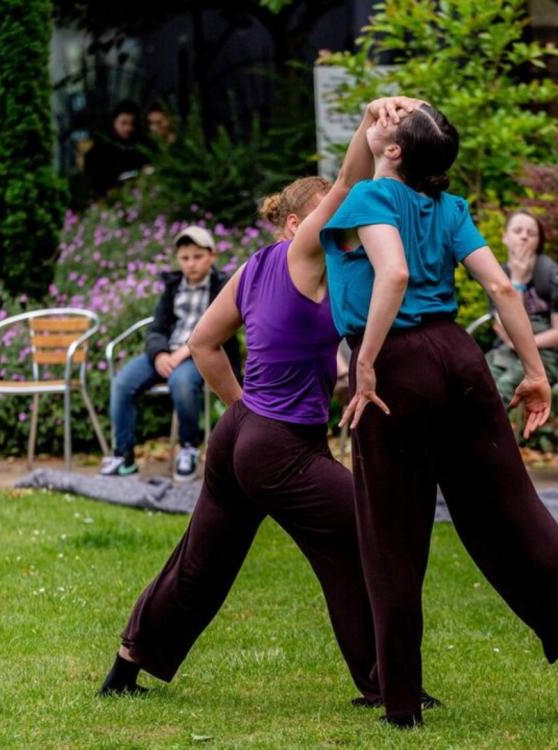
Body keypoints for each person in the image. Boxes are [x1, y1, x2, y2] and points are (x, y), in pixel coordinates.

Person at [99, 97, 443, 711]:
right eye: (324, 220)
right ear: (294, 225)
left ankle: (128, 666)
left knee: (203, 562)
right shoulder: (303, 257)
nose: (345, 229)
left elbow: (204, 344)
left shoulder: (255, 267)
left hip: (242, 437)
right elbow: (348, 182)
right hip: (278, 445)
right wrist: (372, 129)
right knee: (368, 533)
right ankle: (393, 688)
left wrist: (245, 412)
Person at [319, 102, 558, 727]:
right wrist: (536, 374)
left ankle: (402, 706)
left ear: (398, 153)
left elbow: (394, 272)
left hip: (398, 368)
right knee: (517, 511)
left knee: (392, 538)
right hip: (460, 361)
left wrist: (367, 362)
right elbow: (502, 289)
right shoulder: (449, 207)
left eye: (398, 122)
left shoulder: (370, 201)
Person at [101, 226, 239, 482]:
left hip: (201, 356)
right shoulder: (173, 287)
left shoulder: (223, 287)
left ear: (212, 256)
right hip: (166, 355)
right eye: (185, 258)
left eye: (197, 257)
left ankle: (188, 448)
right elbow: (157, 328)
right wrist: (160, 354)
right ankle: (124, 456)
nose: (191, 264)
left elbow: (223, 329)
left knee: (182, 383)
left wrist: (182, 354)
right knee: (122, 383)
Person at [485, 211, 558, 404]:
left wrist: (522, 343)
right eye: (517, 230)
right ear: (505, 237)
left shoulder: (552, 274)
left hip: (547, 353)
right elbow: (501, 326)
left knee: (505, 387)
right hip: (508, 349)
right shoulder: (499, 274)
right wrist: (516, 281)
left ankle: (491, 434)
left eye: (531, 233)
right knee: (476, 381)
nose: (524, 236)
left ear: (538, 241)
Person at [84, 99, 150, 197]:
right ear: (114, 122)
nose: (128, 128)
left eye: (132, 124)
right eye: (123, 123)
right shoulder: (100, 150)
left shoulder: (141, 146)